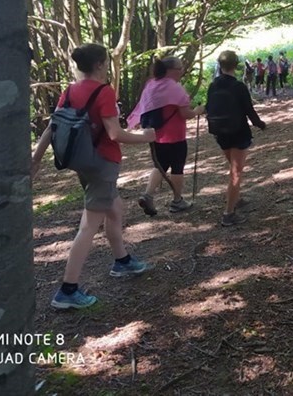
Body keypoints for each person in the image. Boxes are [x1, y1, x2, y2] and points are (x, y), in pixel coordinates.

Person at [31, 43, 155, 310]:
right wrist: (146, 137)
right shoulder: (104, 91)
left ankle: (122, 261)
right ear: (99, 64)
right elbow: (114, 134)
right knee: (88, 225)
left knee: (115, 209)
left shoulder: (71, 90)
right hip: (102, 164)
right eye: (106, 61)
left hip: (82, 161)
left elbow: (54, 125)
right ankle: (68, 290)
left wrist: (37, 158)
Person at [127, 56, 205, 217]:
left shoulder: (151, 85)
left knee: (160, 165)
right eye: (180, 68)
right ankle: (177, 201)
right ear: (170, 70)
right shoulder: (174, 88)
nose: (181, 71)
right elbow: (185, 114)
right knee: (177, 167)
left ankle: (148, 195)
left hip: (155, 134)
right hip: (175, 135)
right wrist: (197, 111)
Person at [205, 50, 266, 226]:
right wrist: (260, 125)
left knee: (233, 169)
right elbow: (249, 110)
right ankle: (228, 214)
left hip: (220, 133)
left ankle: (235, 197)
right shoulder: (239, 86)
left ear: (220, 64)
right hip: (239, 132)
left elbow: (209, 107)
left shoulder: (213, 85)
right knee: (236, 173)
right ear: (236, 65)